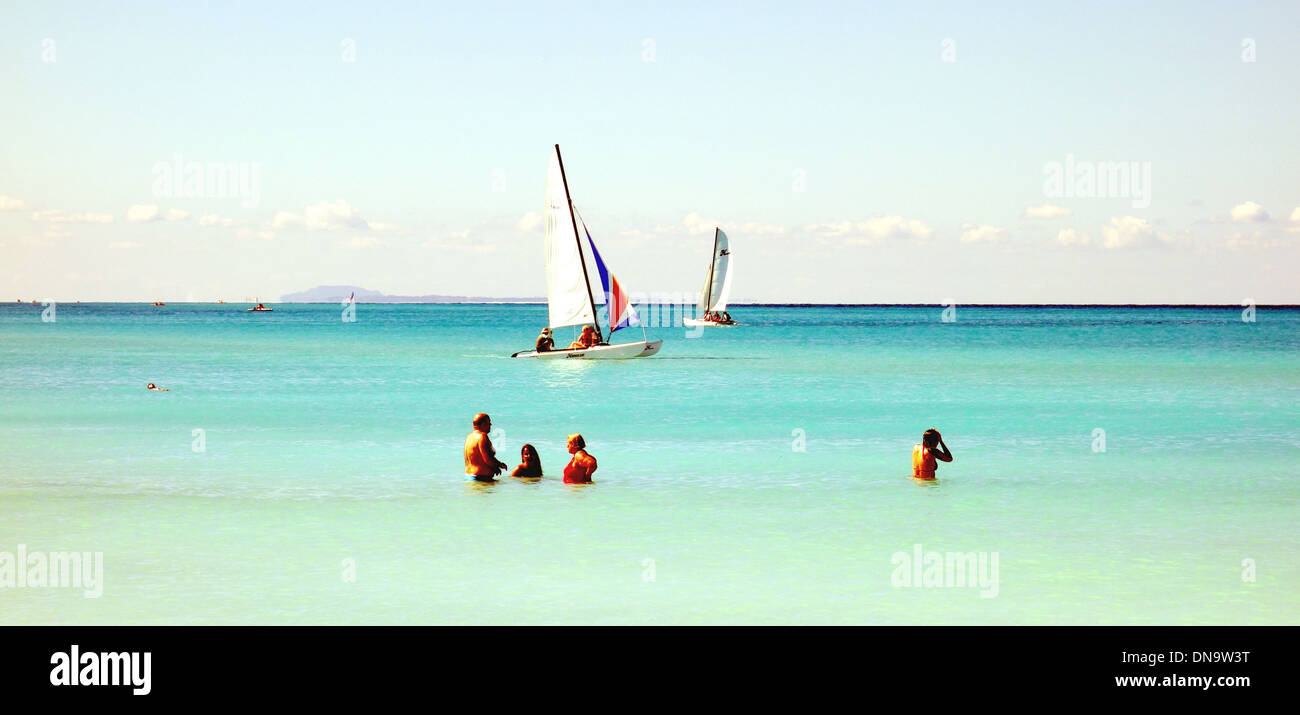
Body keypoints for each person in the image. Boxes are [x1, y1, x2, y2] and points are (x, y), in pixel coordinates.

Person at [464, 413, 508, 482]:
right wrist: (496, 467)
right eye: (489, 422)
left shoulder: (469, 437)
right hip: (480, 478)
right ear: (483, 424)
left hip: (468, 477)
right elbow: (487, 458)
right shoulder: (482, 437)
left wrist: (499, 464)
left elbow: (479, 457)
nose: (491, 425)